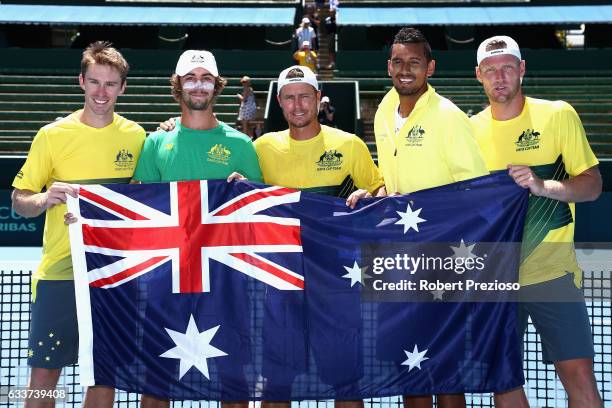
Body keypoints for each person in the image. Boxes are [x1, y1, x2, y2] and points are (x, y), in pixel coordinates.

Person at [11, 41, 146, 408]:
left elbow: (142, 202)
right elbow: (20, 202)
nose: (102, 92)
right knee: (42, 377)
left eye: (111, 84)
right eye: (95, 82)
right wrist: (46, 197)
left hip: (113, 274)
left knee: (103, 376)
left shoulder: (138, 138)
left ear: (123, 88)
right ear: (81, 82)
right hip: (60, 273)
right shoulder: (51, 135)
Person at [471, 35, 603, 408]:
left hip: (553, 275)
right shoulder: (468, 132)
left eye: (507, 68)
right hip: (495, 280)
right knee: (505, 384)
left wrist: (543, 185)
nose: (500, 77)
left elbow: (592, 185)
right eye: (491, 70)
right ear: (479, 76)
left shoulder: (558, 114)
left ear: (522, 70)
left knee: (578, 375)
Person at [132, 49, 262, 408]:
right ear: (178, 85)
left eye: (206, 78)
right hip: (167, 282)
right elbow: (139, 211)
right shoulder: (157, 142)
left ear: (217, 86)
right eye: (191, 78)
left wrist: (247, 193)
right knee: (156, 383)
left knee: (235, 383)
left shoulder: (240, 145)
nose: (199, 85)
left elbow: (260, 222)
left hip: (226, 283)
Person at [373, 27, 488, 408]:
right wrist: (377, 194)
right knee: (412, 366)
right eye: (399, 61)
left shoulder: (449, 116)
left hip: (442, 260)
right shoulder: (382, 112)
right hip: (397, 259)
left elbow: (476, 194)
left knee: (446, 367)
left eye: (415, 62)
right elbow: (395, 183)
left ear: (430, 68)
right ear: (389, 66)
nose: (406, 69)